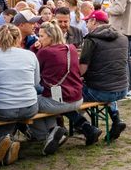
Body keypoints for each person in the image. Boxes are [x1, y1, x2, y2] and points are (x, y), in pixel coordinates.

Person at [0, 24, 37, 164]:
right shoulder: (30, 55)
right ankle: (6, 144)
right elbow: (36, 82)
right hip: (29, 106)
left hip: (2, 109)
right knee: (10, 110)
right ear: (18, 39)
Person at [32, 21, 90, 150]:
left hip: (59, 100)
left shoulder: (44, 52)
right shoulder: (71, 48)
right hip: (77, 98)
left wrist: (34, 48)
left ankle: (47, 135)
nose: (39, 39)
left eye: (41, 36)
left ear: (51, 36)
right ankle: (59, 130)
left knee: (28, 104)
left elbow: (33, 68)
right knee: (50, 98)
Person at [79, 9, 129, 139]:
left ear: (94, 21)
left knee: (72, 92)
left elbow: (82, 70)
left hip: (100, 91)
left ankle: (84, 126)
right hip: (123, 89)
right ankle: (116, 119)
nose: (86, 25)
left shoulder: (91, 39)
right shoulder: (123, 38)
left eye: (87, 22)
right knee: (107, 84)